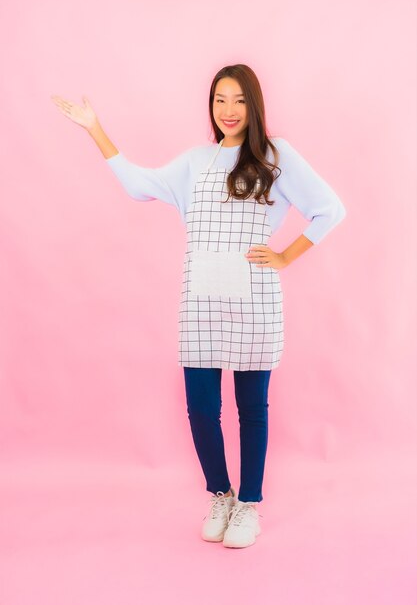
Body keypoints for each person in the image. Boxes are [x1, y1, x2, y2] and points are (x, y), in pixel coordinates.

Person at [51, 63, 346, 549]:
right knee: (201, 409)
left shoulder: (277, 156)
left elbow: (329, 208)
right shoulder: (195, 162)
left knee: (252, 408)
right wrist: (95, 129)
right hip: (200, 299)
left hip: (254, 298)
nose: (229, 111)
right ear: (211, 107)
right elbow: (137, 184)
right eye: (220, 100)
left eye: (239, 101)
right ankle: (221, 495)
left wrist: (286, 256)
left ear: (254, 104)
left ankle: (249, 504)